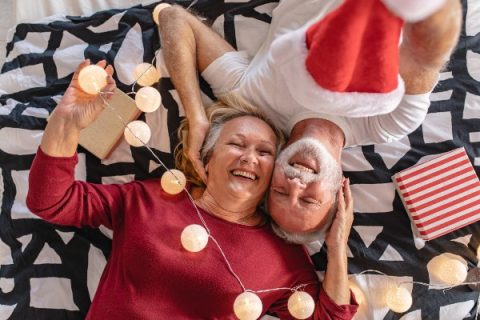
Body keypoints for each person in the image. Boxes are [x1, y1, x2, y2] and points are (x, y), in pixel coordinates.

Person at [26, 60, 358, 319]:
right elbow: (52, 201)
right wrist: (66, 122)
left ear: (274, 173)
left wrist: (337, 243)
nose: (249, 158)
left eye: (264, 152)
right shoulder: (150, 199)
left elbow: (330, 317)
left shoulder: (282, 257)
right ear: (206, 159)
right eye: (236, 143)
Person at [155, 0, 462, 239]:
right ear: (340, 191)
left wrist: (196, 116)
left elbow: (173, 18)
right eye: (309, 201)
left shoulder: (250, 101)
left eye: (280, 191)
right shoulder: (390, 123)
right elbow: (426, 52)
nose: (297, 185)